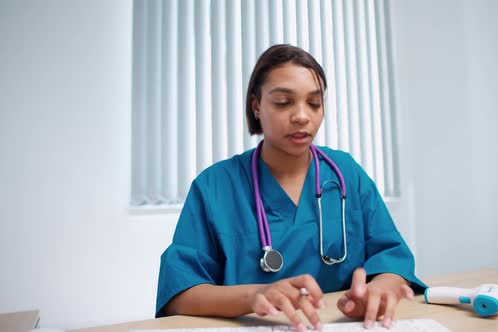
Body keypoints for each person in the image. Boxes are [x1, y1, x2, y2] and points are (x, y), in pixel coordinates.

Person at [156, 44, 427, 331]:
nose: (302, 116)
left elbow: (392, 256)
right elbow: (180, 293)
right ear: (256, 105)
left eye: (314, 103)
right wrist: (255, 295)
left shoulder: (346, 173)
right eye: (284, 102)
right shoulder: (215, 186)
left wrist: (381, 287)